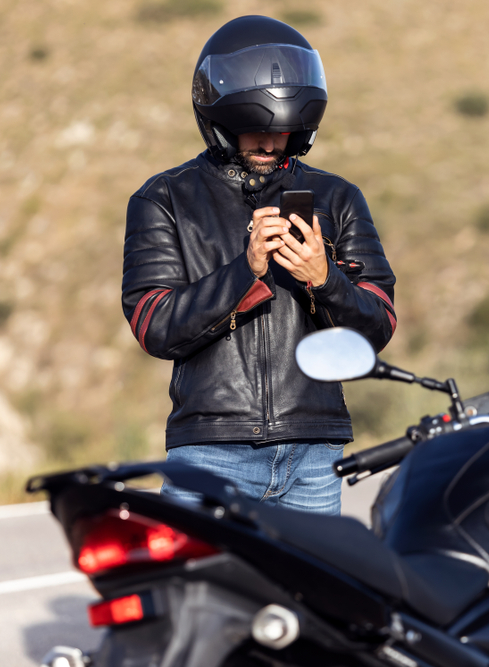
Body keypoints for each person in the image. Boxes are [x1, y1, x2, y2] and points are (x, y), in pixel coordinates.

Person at [121, 15, 396, 515]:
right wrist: (243, 272)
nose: (270, 143)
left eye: (284, 130)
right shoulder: (163, 198)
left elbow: (377, 325)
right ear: (218, 120)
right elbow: (152, 324)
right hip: (211, 450)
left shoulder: (339, 198)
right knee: (201, 591)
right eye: (254, 130)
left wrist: (324, 280)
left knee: (310, 594)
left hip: (314, 451)